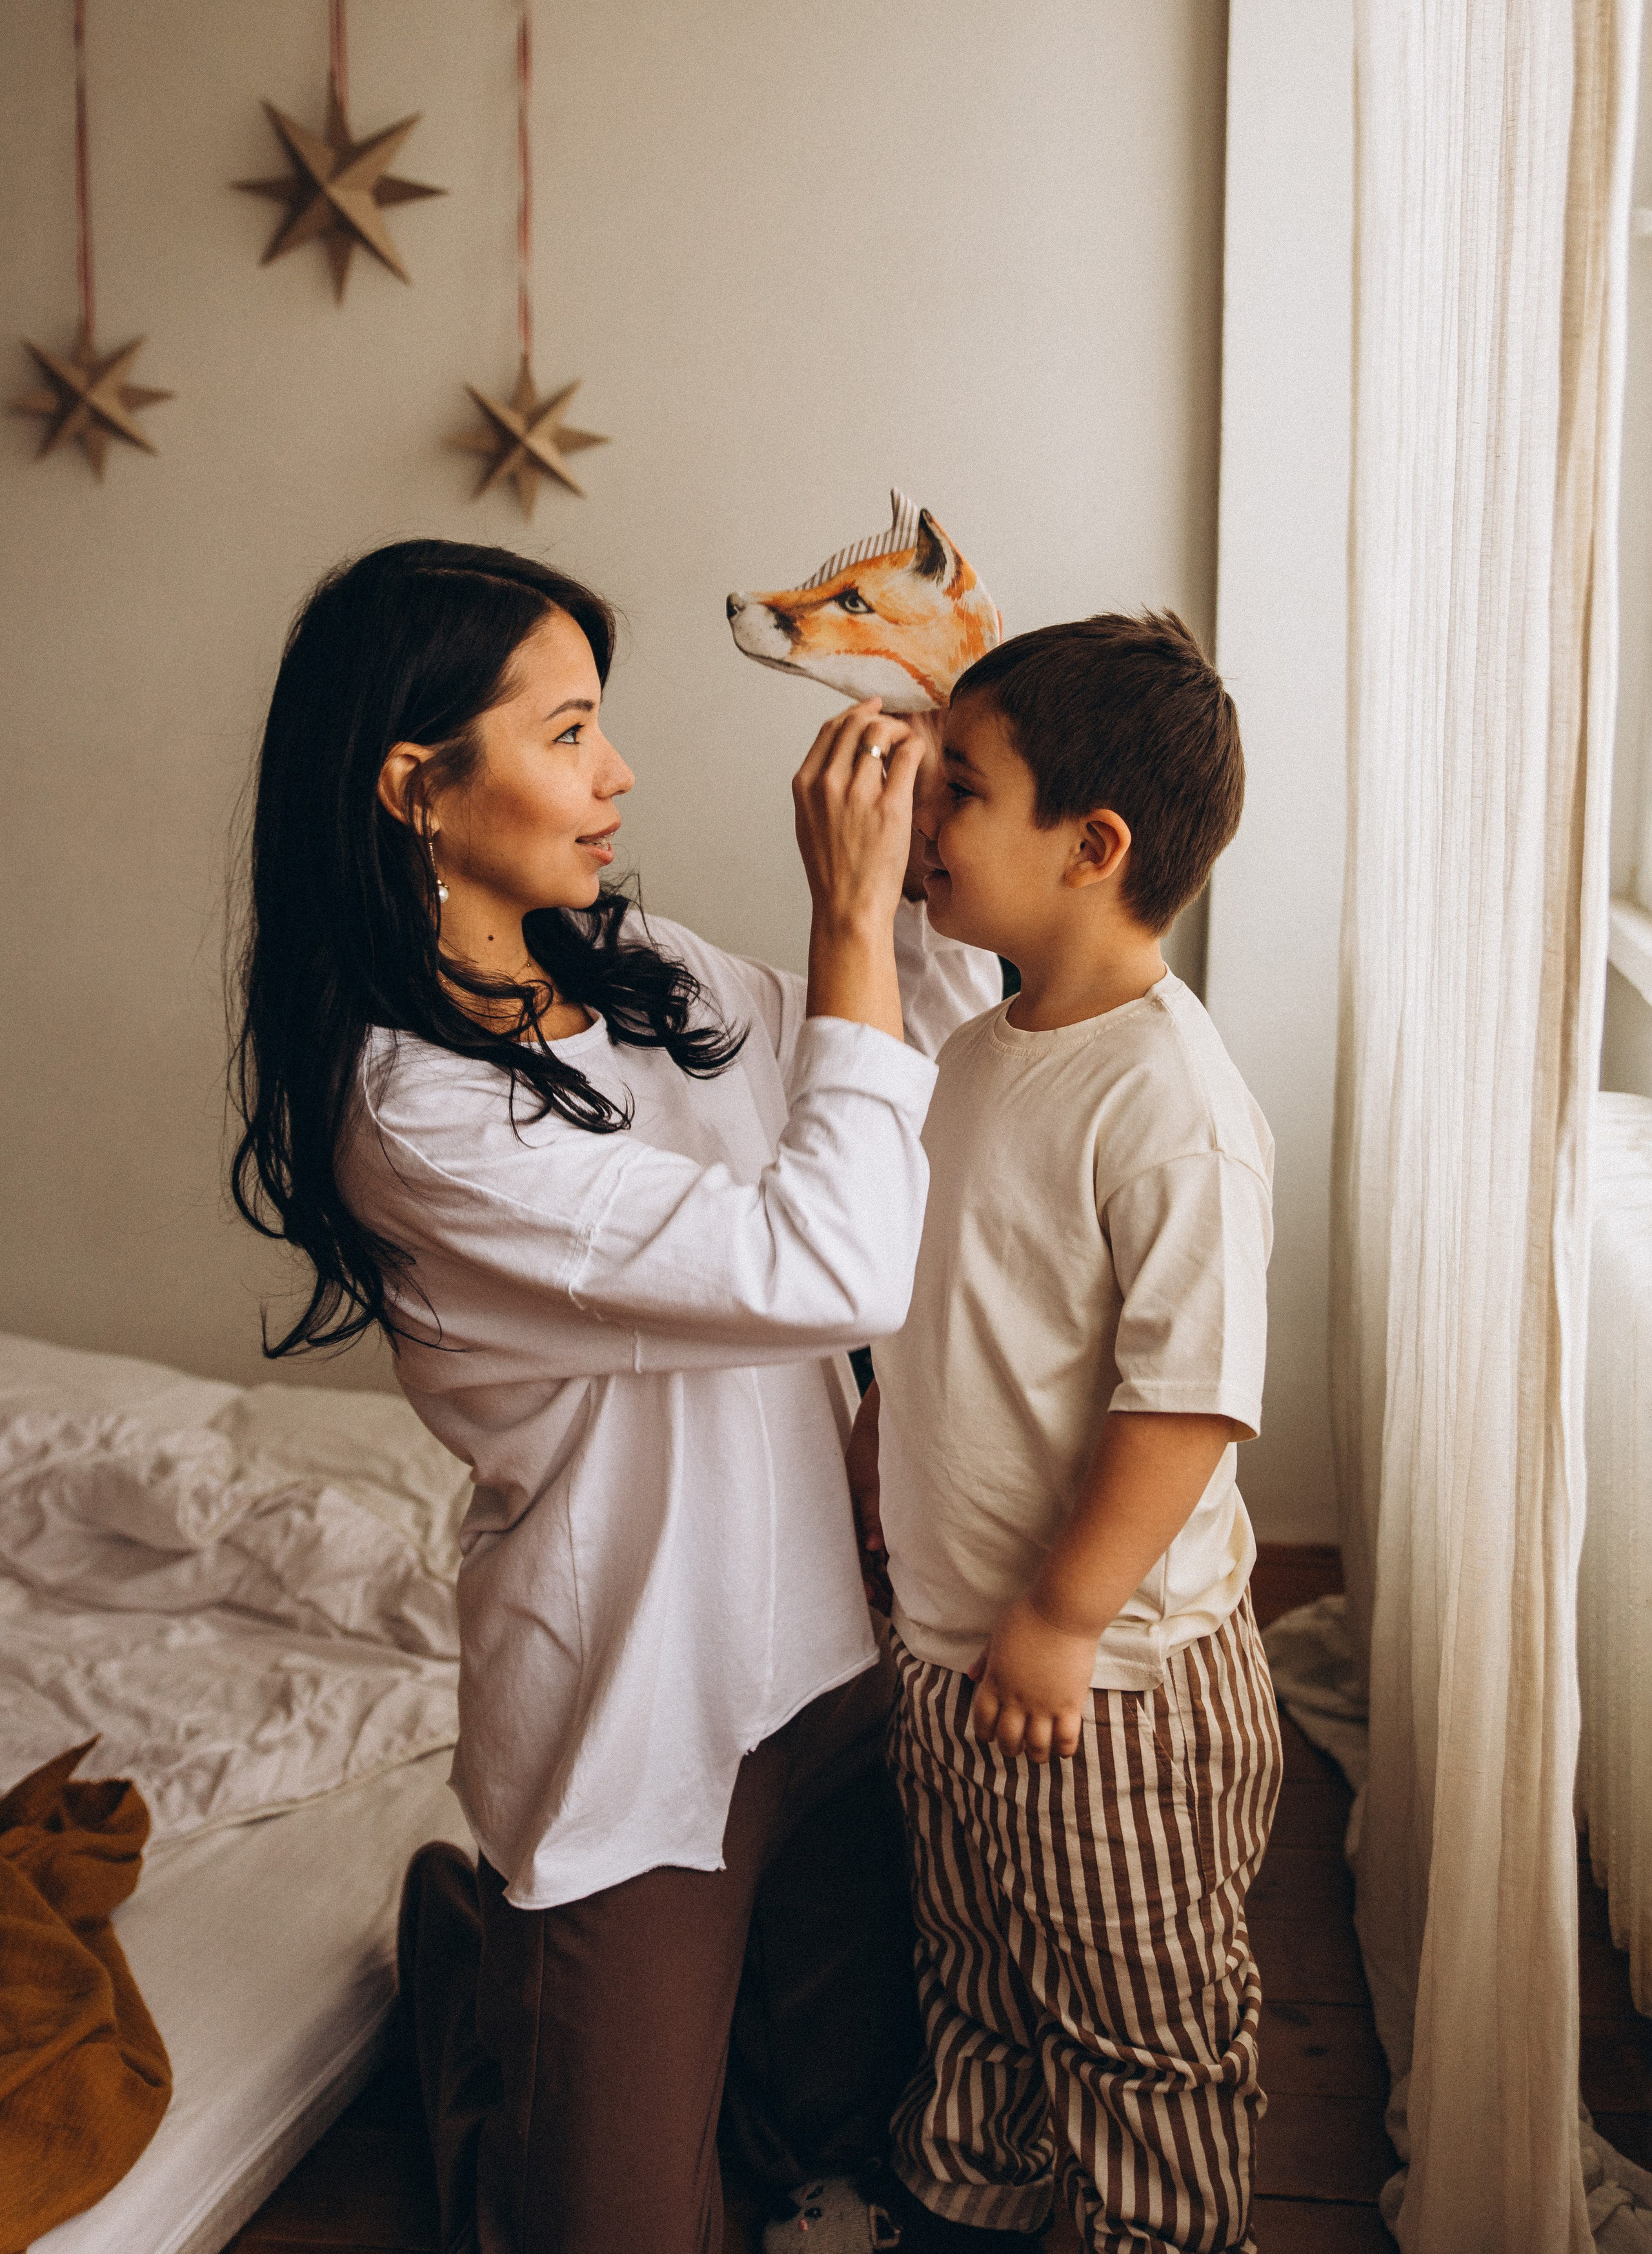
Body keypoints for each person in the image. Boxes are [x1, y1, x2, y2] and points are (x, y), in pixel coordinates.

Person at [229, 539, 1000, 2254]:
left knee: (851, 2134)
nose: (618, 774)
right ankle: (475, 1963)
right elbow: (834, 1266)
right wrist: (849, 911)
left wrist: (941, 863)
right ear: (416, 786)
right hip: (642, 1715)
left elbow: (886, 1089)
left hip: (828, 1664)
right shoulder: (411, 1115)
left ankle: (552, 1990)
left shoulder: (631, 958)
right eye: (570, 730)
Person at [836, 613, 1282, 2254]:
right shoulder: (973, 1051)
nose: (921, 823)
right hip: (960, 1649)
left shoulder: (1166, 1101)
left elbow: (1186, 1399)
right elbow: (943, 1301)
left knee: (1131, 2021)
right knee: (976, 1985)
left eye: (956, 789)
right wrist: (882, 1453)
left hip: (1107, 1690)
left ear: (1090, 848)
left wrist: (1061, 1613)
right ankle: (962, 2212)